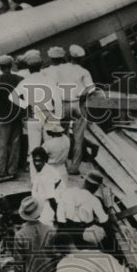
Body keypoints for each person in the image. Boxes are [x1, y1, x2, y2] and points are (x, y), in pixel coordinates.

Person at [11, 49, 57, 170]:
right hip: (48, 115)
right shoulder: (48, 79)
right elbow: (57, 99)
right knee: (49, 148)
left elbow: (12, 96)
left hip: (33, 116)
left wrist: (25, 104)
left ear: (28, 67)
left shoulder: (25, 81)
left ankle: (34, 177)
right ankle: (50, 175)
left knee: (33, 149)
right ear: (41, 65)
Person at [60, 45, 96, 175]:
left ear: (69, 56)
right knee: (78, 137)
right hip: (78, 104)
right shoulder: (84, 71)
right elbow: (91, 89)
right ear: (81, 59)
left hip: (63, 104)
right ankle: (74, 168)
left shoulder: (61, 69)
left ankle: (62, 164)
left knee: (61, 135)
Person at [0, 54, 24, 177]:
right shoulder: (20, 79)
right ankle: (12, 170)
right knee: (15, 144)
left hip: (3, 116)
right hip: (17, 116)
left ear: (0, 67)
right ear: (11, 65)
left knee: (1, 145)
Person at [29, 146, 64, 224]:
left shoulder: (47, 176)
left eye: (39, 161)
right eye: (34, 160)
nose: (36, 163)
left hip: (50, 205)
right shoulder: (43, 169)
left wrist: (57, 217)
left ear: (44, 160)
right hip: (44, 200)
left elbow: (52, 200)